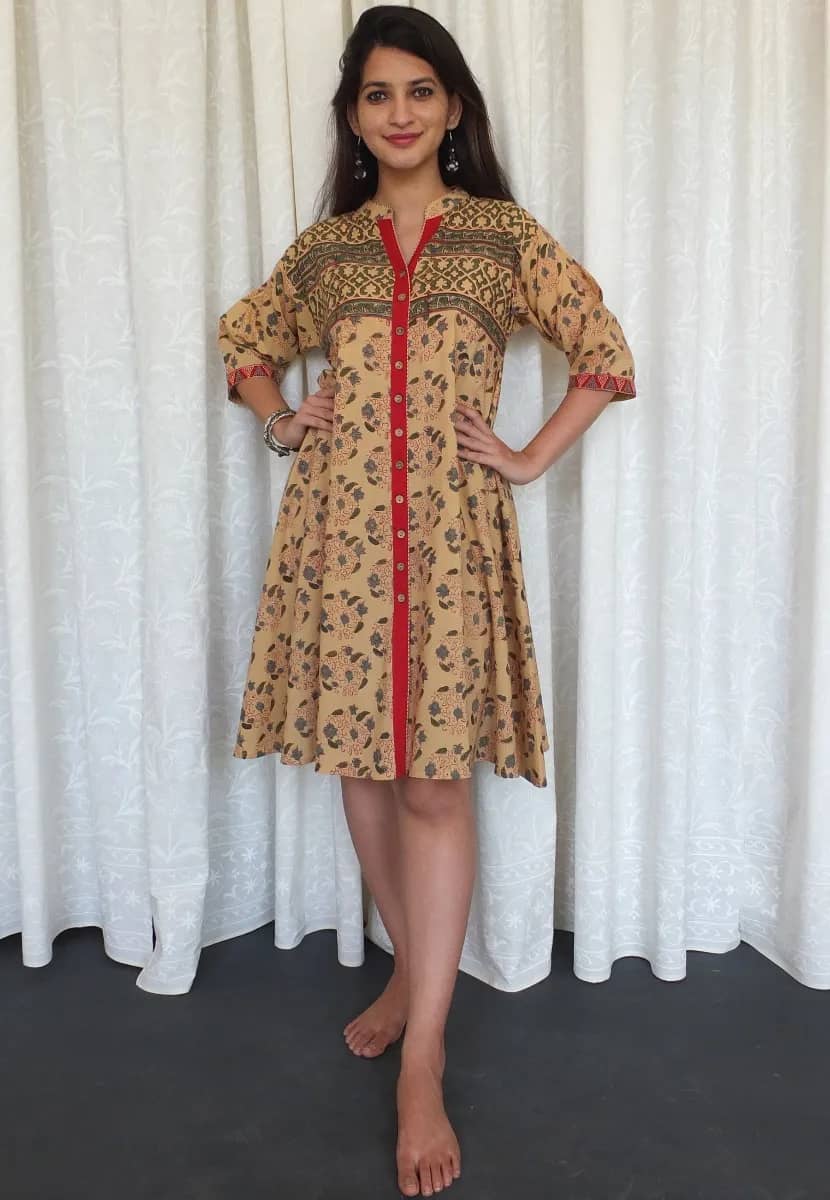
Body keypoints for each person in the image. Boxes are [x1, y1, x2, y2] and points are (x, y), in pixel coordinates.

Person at [217, 6, 636, 1195]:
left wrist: (527, 455)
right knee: (361, 766)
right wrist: (283, 421)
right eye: (375, 94)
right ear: (353, 118)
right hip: (340, 540)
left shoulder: (500, 238)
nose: (397, 112)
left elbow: (601, 352)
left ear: (452, 107)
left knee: (432, 782)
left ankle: (424, 1059)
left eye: (418, 90)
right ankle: (409, 969)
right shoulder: (326, 253)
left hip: (450, 544)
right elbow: (245, 341)